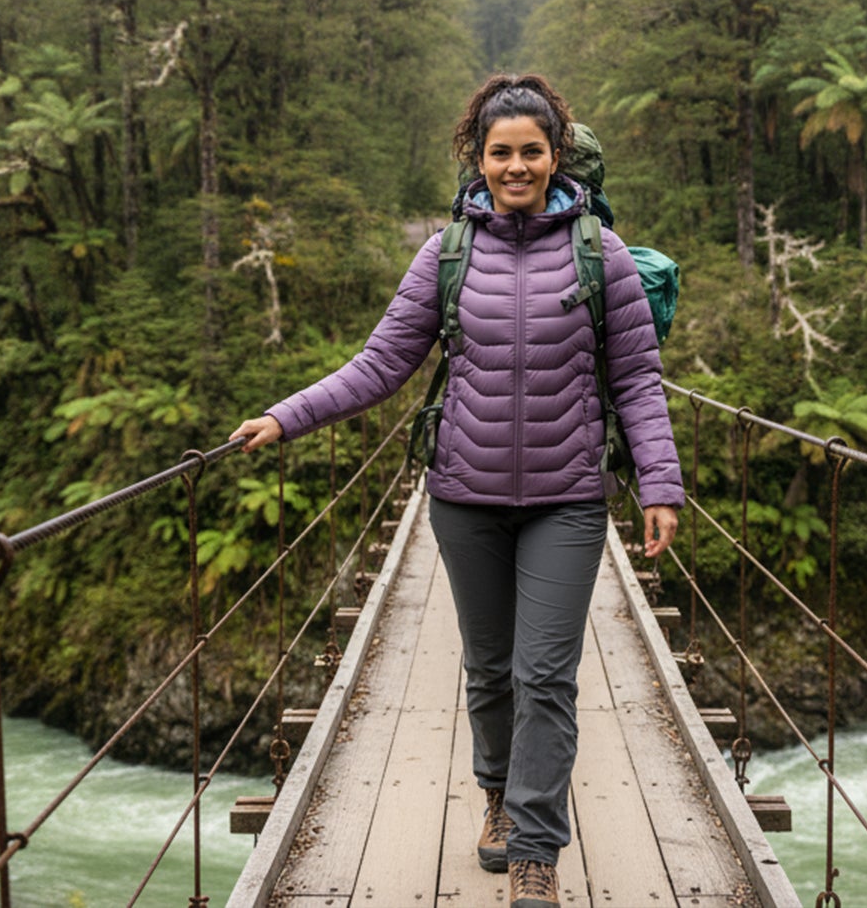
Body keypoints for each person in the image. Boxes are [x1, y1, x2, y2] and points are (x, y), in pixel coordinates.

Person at [228, 73, 682, 908]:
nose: (516, 166)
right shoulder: (444, 255)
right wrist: (285, 418)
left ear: (556, 156)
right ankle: (499, 797)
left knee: (546, 672)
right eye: (500, 152)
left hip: (568, 497)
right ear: (478, 158)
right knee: (490, 667)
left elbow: (640, 380)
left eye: (531, 152)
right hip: (465, 494)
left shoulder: (601, 253)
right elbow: (378, 366)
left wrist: (660, 483)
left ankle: (537, 850)